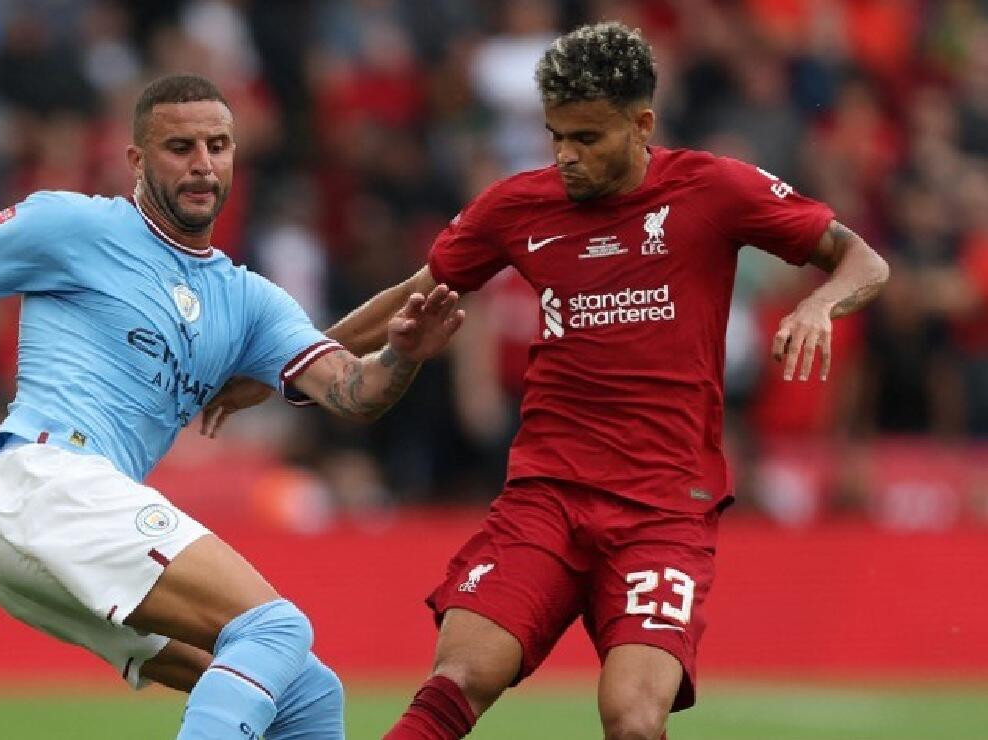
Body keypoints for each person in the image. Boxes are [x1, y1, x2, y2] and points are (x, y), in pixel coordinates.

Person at [203, 23, 889, 740]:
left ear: (642, 124)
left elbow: (864, 261)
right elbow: (412, 295)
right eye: (555, 135)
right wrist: (286, 367)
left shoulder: (714, 188)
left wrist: (817, 303)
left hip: (663, 511)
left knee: (631, 716)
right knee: (460, 677)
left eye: (587, 138)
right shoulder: (517, 207)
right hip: (546, 498)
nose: (565, 155)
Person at [0, 74, 464, 740]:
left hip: (57, 524)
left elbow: (356, 392)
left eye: (218, 147)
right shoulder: (71, 224)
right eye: (180, 147)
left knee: (308, 691)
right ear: (135, 157)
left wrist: (403, 353)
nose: (202, 165)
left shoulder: (250, 301)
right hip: (47, 477)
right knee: (276, 629)